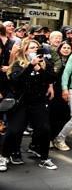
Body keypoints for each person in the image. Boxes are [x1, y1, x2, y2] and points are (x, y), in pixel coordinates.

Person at [0, 39, 57, 170]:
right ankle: (4, 156)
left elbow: (52, 78)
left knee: (44, 129)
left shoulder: (45, 64)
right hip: (22, 103)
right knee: (14, 130)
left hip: (38, 103)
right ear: (25, 50)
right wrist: (30, 66)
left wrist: (39, 68)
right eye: (32, 48)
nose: (35, 50)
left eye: (37, 48)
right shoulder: (18, 64)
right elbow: (16, 81)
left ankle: (44, 158)